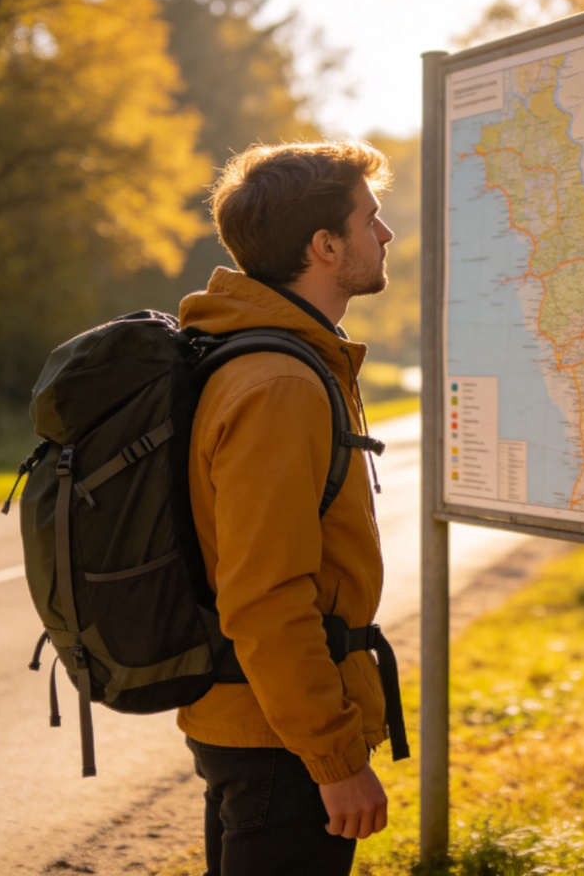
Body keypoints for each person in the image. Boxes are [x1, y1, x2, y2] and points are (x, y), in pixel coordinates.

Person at [176, 139, 403, 874]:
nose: (386, 233)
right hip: (280, 743)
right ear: (326, 245)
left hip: (261, 722)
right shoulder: (278, 382)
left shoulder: (268, 358)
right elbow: (266, 597)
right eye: (372, 218)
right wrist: (334, 761)